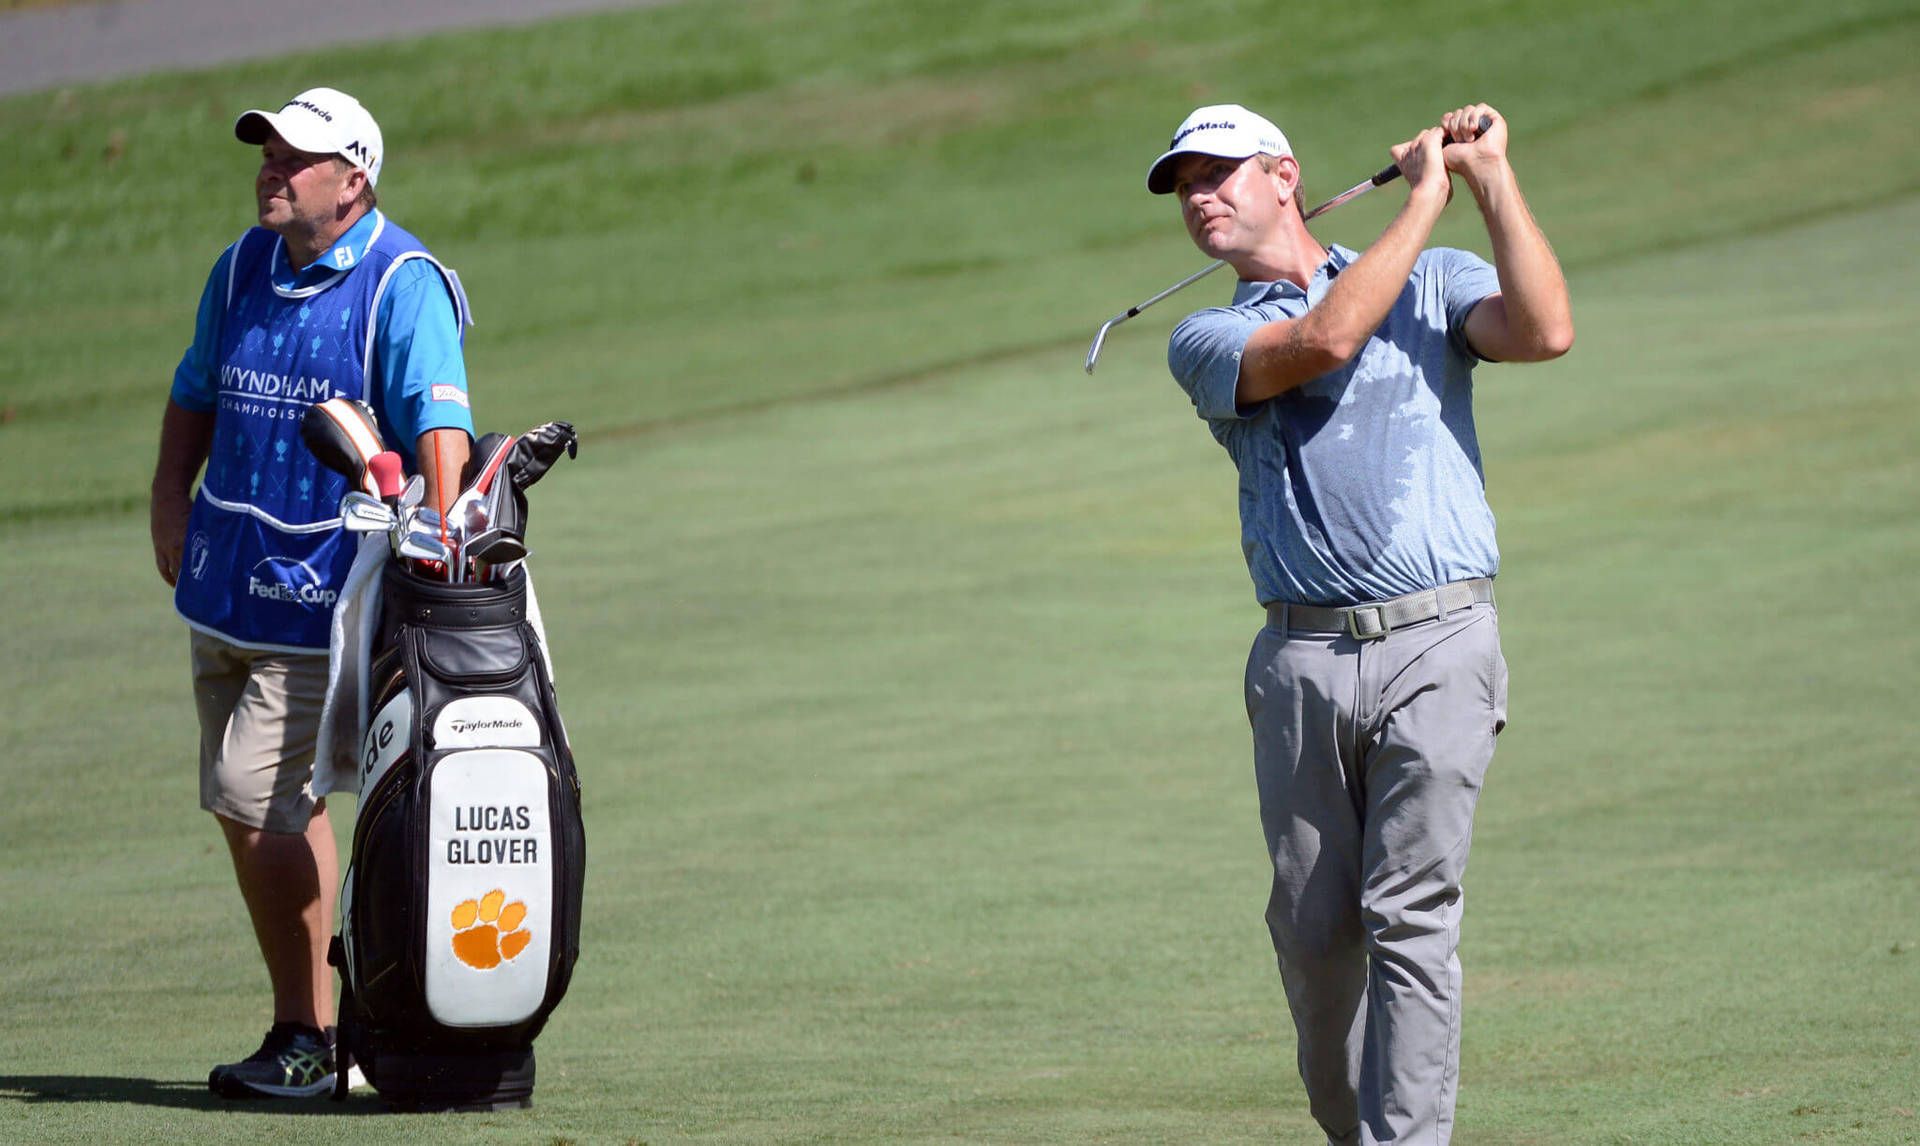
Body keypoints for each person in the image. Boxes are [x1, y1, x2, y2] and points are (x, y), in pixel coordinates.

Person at [1148, 103, 1572, 1144]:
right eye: (1184, 184)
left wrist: (1487, 178)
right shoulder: (1207, 333)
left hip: (1441, 642)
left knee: (1411, 916)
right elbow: (1326, 340)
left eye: (1220, 173)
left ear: (1284, 175)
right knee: (1313, 935)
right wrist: (1427, 192)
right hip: (1300, 655)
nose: (1200, 196)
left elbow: (1545, 330)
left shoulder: (1435, 275)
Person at [148, 86, 476, 1099]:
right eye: (268, 153)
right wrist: (169, 499)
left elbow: (438, 423)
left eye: (297, 158)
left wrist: (439, 538)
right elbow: (195, 389)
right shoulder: (244, 265)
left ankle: (307, 1036)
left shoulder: (399, 281)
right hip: (224, 587)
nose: (272, 170)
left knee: (252, 801)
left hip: (325, 597)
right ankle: (333, 1030)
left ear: (354, 178)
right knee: (269, 806)